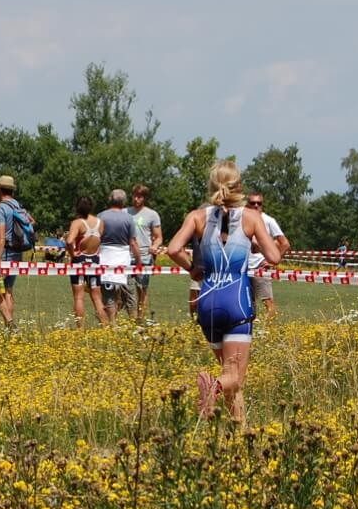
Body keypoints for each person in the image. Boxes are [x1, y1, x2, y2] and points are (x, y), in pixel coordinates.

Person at [164, 161, 282, 425]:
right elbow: (274, 256)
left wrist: (193, 269)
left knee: (232, 375)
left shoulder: (197, 217)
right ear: (238, 186)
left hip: (207, 301)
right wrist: (253, 245)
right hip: (237, 301)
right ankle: (213, 387)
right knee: (234, 378)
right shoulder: (251, 217)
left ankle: (238, 433)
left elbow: (173, 249)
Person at [0, 176, 29, 329]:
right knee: (8, 291)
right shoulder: (18, 206)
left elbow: (0, 236)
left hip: (4, 254)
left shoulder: (0, 208)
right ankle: (9, 329)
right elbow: (31, 222)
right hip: (16, 253)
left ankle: (11, 325)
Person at [244, 191, 290, 320]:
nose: (256, 205)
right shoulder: (242, 219)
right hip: (244, 267)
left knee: (268, 302)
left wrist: (272, 261)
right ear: (248, 204)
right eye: (253, 203)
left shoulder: (269, 220)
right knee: (247, 303)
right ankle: (250, 331)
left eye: (259, 203)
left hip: (260, 266)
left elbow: (285, 244)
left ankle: (268, 333)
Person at [95, 190, 138, 324]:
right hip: (124, 259)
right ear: (124, 202)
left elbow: (96, 239)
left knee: (108, 293)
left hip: (105, 257)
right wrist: (139, 261)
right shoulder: (129, 218)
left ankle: (112, 323)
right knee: (129, 292)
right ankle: (133, 323)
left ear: (109, 199)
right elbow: (133, 242)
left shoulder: (101, 216)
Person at [65, 197, 105, 329]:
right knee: (97, 298)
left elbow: (70, 241)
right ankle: (105, 327)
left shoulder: (77, 223)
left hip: (80, 262)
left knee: (79, 297)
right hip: (94, 261)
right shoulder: (100, 222)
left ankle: (80, 329)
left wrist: (72, 254)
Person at [128, 184, 163, 323]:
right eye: (135, 195)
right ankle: (127, 318)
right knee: (123, 290)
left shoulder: (152, 214)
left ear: (144, 198)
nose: (136, 199)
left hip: (144, 257)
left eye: (140, 196)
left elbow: (159, 236)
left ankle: (139, 320)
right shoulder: (125, 212)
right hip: (125, 256)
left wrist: (155, 246)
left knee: (141, 290)